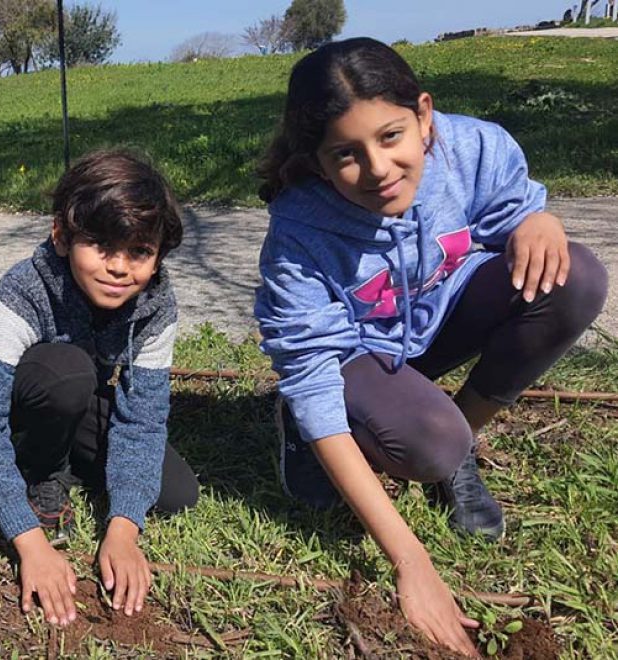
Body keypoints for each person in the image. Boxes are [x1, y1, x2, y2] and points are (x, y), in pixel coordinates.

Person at [254, 38, 606, 656]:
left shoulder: (472, 147)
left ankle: (457, 447)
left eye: (391, 137)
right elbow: (310, 368)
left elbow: (510, 209)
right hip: (357, 355)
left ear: (423, 114)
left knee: (576, 278)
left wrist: (536, 218)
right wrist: (410, 560)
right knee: (428, 444)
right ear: (316, 161)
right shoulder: (300, 231)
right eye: (346, 154)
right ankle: (360, 434)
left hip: (438, 321)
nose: (379, 169)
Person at [0, 149, 200, 627]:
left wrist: (124, 529)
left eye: (139, 252)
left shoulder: (155, 307)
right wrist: (29, 543)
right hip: (24, 396)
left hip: (81, 391)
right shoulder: (23, 290)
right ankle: (40, 476)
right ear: (62, 237)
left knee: (175, 493)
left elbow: (143, 419)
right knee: (67, 373)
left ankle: (67, 460)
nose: (118, 267)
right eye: (101, 246)